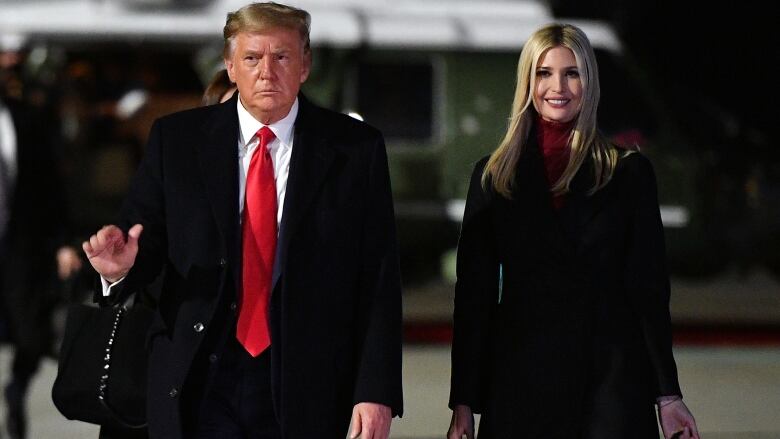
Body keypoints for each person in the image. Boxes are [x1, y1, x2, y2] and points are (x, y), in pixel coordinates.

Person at [81, 2, 403, 438]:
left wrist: (375, 390)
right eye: (252, 58)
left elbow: (378, 278)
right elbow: (145, 243)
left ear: (306, 65)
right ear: (230, 66)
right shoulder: (176, 141)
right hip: (198, 377)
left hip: (308, 381)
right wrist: (121, 271)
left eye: (282, 57)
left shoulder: (355, 150)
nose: (266, 71)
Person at [446, 23, 699, 439]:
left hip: (612, 387)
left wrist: (667, 395)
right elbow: (474, 299)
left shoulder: (629, 173)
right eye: (544, 73)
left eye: (572, 72)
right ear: (528, 80)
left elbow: (647, 292)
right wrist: (464, 403)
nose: (557, 86)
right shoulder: (493, 177)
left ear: (590, 81)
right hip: (521, 386)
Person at [1, 36, 82, 439]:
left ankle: (16, 392)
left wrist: (65, 241)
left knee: (31, 334)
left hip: (21, 247)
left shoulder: (27, 119)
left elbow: (51, 187)